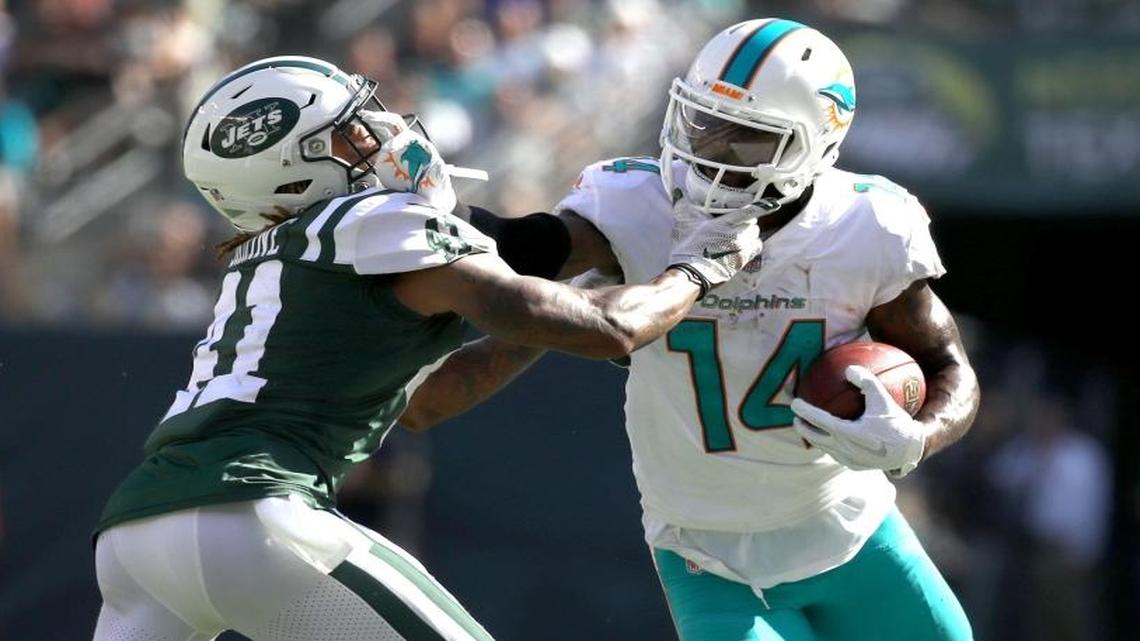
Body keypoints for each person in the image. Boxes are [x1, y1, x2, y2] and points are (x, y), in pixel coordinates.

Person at [90, 55, 768, 641]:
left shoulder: (277, 258)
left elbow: (429, 399)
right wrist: (699, 267)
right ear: (295, 176)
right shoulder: (369, 218)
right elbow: (603, 328)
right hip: (252, 512)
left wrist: (576, 290)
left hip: (136, 536)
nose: (384, 131)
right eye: (352, 134)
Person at [402, 18, 981, 641]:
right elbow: (528, 248)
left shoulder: (868, 225)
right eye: (705, 123)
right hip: (709, 554)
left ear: (818, 144)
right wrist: (420, 210)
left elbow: (949, 367)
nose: (713, 153)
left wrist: (915, 438)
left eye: (748, 139)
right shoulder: (637, 203)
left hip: (852, 527)